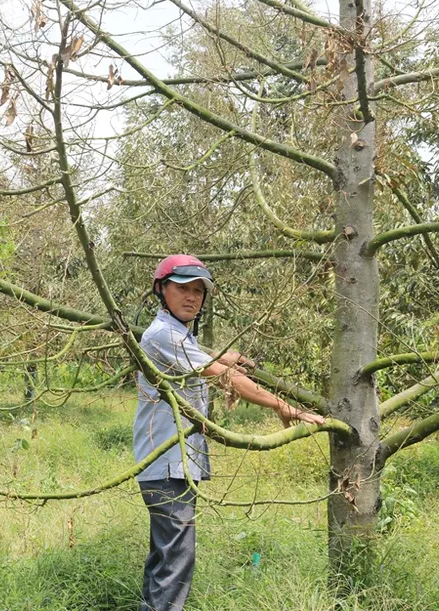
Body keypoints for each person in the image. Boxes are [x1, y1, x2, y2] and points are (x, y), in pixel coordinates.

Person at [133, 254, 324, 611]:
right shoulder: (163, 335)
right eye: (182, 289)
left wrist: (226, 357)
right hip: (168, 463)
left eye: (198, 291)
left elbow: (207, 361)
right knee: (176, 561)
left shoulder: (176, 335)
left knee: (164, 556)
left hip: (171, 463)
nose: (191, 297)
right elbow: (225, 377)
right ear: (161, 290)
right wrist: (286, 407)